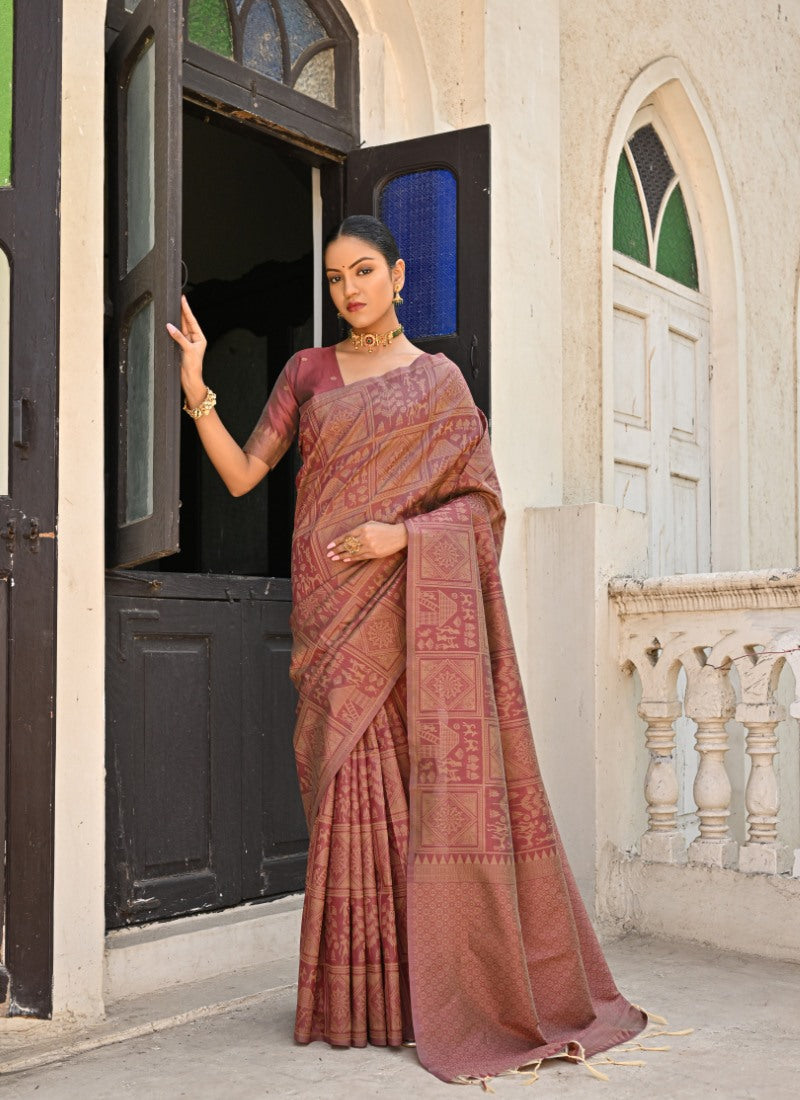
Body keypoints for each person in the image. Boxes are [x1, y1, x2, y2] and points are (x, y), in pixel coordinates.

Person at [166, 215, 648, 1085]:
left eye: (362, 272)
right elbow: (243, 475)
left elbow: (481, 506)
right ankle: (359, 1001)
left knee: (409, 794)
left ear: (397, 276)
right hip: (329, 615)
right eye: (334, 278)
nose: (347, 290)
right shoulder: (305, 372)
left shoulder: (440, 383)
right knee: (346, 789)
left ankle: (421, 998)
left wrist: (401, 538)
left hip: (402, 609)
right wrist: (198, 386)